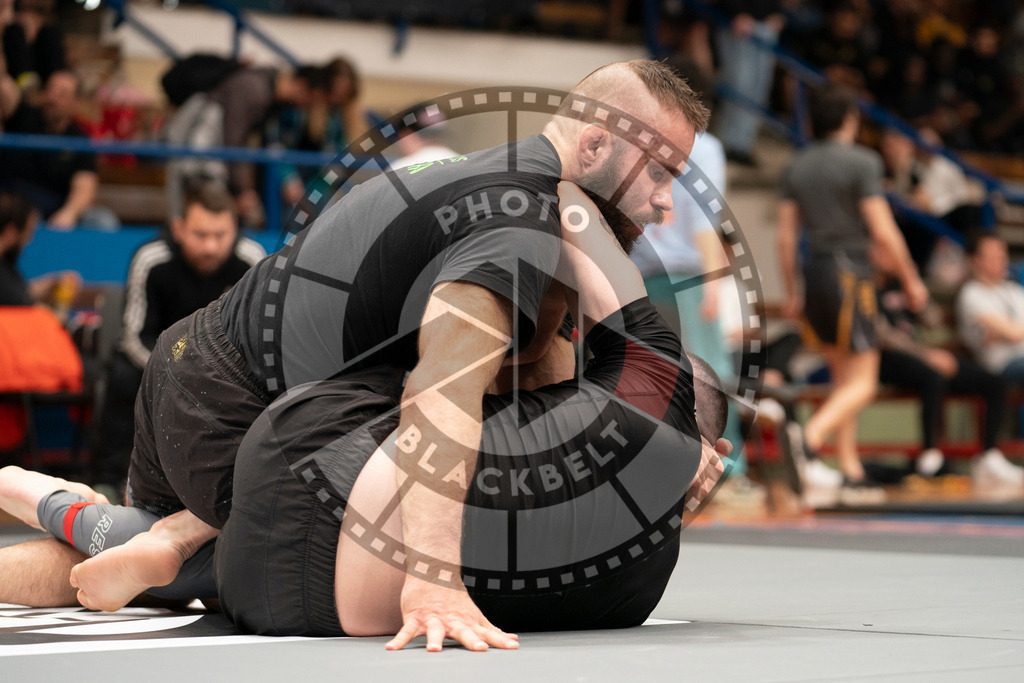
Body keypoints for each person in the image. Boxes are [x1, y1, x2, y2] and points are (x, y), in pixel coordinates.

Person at [33, 60, 713, 651]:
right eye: (660, 172)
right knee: (218, 566)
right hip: (237, 413)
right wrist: (434, 578)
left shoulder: (500, 182)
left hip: (192, 365)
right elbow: (441, 390)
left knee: (110, 555)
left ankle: (138, 529)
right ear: (594, 145)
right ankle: (177, 535)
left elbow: (535, 377)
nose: (664, 202)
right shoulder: (519, 226)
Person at [777, 83, 928, 502]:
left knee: (842, 379)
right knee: (865, 381)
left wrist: (791, 290)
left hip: (815, 275)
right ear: (850, 119)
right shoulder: (862, 161)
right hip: (850, 273)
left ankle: (849, 467)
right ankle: (809, 438)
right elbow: (882, 229)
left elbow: (787, 239)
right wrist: (912, 278)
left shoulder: (797, 166)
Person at [91, 181, 266, 493]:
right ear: (179, 228)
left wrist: (218, 374)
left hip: (226, 371)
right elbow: (134, 338)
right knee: (121, 373)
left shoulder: (251, 259)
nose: (210, 246)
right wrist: (180, 373)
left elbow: (258, 337)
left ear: (235, 230)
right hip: (159, 364)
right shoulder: (151, 258)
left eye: (220, 235)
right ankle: (109, 477)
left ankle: (249, 482)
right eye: (200, 235)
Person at [874, 243, 1011, 483]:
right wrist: (925, 354)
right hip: (885, 360)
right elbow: (881, 336)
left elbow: (934, 321)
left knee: (994, 382)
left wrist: (917, 291)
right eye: (885, 250)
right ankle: (930, 454)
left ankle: (989, 455)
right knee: (932, 373)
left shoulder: (902, 285)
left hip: (921, 355)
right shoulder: (867, 287)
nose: (892, 256)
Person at [162, 62, 316, 225]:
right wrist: (241, 191)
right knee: (199, 205)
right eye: (310, 99)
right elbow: (233, 140)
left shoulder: (269, 96)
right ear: (301, 85)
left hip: (210, 157)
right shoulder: (253, 88)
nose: (304, 107)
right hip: (201, 152)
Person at [0, 70, 116, 230]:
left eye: (62, 94)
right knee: (27, 216)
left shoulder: (80, 139)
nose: (53, 98)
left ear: (75, 102)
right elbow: (5, 92)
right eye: (50, 89)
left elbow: (85, 184)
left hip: (56, 207)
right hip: (17, 204)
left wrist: (69, 213)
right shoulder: (22, 118)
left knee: (102, 220)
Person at [955, 232, 1024, 485]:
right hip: (999, 366)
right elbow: (1014, 333)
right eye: (993, 255)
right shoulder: (972, 294)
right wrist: (1011, 330)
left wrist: (1010, 330)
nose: (1001, 260)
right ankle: (989, 458)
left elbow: (1013, 332)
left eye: (1003, 254)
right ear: (976, 260)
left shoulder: (1014, 291)